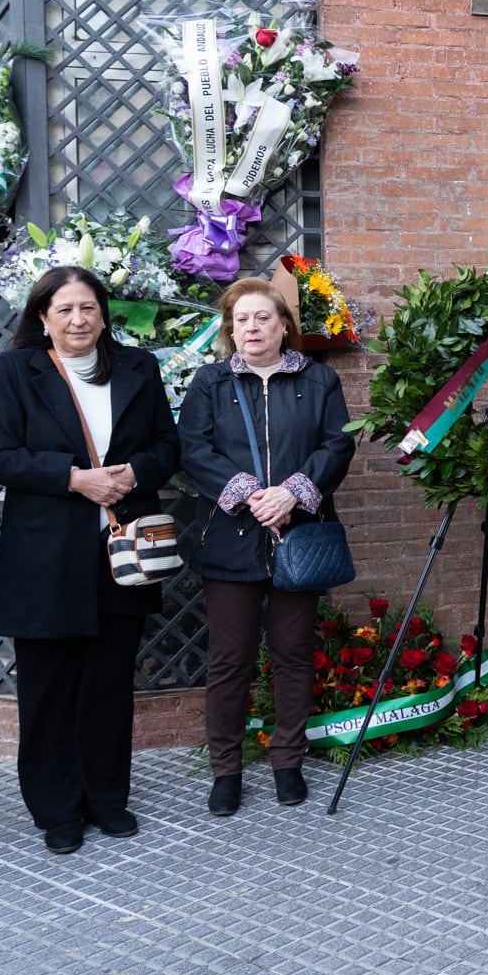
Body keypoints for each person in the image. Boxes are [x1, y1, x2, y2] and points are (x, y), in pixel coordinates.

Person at [0, 266, 180, 854]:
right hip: (44, 557)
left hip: (122, 554)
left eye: (88, 308)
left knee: (109, 683)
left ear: (103, 313)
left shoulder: (139, 368)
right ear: (42, 317)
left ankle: (106, 800)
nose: (78, 319)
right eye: (64, 309)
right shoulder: (20, 370)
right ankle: (57, 809)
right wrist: (74, 480)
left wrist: (133, 473)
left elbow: (167, 447)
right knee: (48, 688)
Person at [178, 277, 356, 816]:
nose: (251, 328)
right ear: (231, 330)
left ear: (284, 326)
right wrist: (252, 495)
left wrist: (293, 494)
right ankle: (226, 771)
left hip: (298, 536)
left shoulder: (320, 381)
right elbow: (193, 448)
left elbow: (337, 444)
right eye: (241, 320)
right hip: (231, 541)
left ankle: (287, 762)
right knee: (230, 661)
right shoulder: (210, 383)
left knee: (293, 655)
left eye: (262, 318)